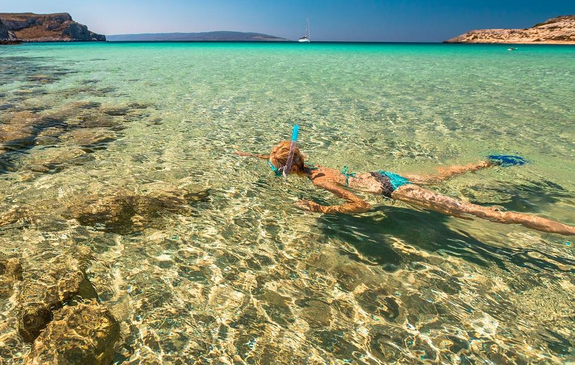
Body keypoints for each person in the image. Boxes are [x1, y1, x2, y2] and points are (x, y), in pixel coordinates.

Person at [234, 140, 575, 236]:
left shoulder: (320, 180)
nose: (280, 174)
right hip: (385, 174)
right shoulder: (315, 166)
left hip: (393, 191)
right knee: (446, 173)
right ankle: (491, 161)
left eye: (278, 171)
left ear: (290, 170)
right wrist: (250, 153)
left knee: (480, 213)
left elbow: (361, 206)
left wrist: (322, 209)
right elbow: (282, 155)